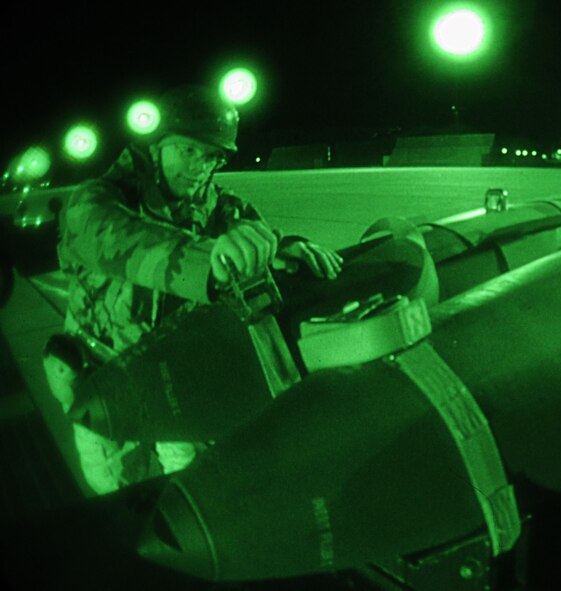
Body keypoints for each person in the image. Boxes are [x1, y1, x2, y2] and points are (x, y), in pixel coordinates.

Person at [51, 84, 343, 494]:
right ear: (156, 146)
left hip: (175, 383)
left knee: (194, 496)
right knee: (119, 496)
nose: (199, 167)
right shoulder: (95, 202)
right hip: (107, 383)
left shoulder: (221, 208)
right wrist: (212, 259)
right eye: (188, 150)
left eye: (211, 156)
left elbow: (258, 235)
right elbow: (126, 242)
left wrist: (284, 248)